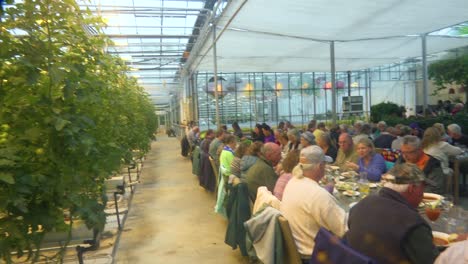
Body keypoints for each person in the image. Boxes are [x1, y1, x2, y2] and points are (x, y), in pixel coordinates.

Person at [345, 163, 440, 264]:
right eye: (422, 189)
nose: (422, 195)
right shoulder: (413, 223)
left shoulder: (362, 204)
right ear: (412, 188)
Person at [281, 146, 347, 261]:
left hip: (297, 249)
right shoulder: (318, 195)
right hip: (314, 255)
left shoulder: (293, 181)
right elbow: (344, 229)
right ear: (320, 166)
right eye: (324, 164)